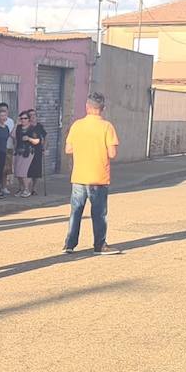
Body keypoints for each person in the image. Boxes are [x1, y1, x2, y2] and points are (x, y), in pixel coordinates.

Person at [63, 93, 122, 256]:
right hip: (98, 176)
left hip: (79, 175)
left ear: (87, 107)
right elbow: (112, 153)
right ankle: (99, 245)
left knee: (76, 211)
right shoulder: (107, 127)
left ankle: (70, 243)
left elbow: (68, 149)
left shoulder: (77, 125)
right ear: (103, 109)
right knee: (99, 213)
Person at [14, 109, 46, 197]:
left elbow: (38, 140)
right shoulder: (19, 128)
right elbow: (12, 135)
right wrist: (16, 123)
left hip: (28, 152)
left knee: (24, 172)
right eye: (21, 118)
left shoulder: (33, 129)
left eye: (25, 118)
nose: (23, 120)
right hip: (19, 152)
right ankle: (21, 189)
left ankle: (27, 189)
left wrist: (29, 139)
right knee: (18, 172)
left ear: (28, 119)